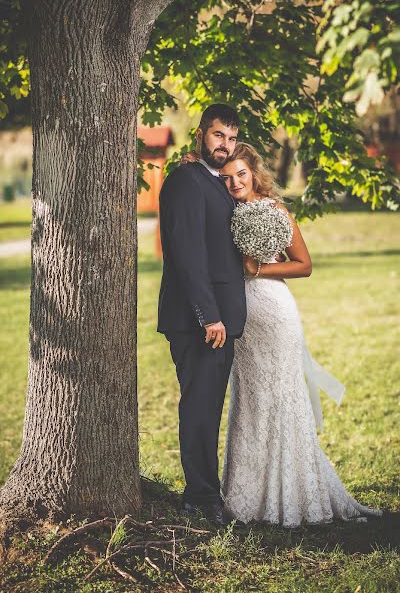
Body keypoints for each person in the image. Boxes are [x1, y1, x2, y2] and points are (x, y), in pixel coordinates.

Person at [219, 142, 382, 527]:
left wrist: (257, 269)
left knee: (282, 397)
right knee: (250, 401)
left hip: (275, 314)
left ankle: (293, 495)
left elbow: (304, 265)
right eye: (226, 178)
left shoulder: (276, 211)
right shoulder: (226, 212)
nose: (235, 182)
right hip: (243, 321)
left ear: (253, 172)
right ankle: (245, 499)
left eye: (240, 174)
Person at [157, 104, 247, 527]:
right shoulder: (184, 182)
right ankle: (200, 499)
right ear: (200, 134)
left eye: (231, 138)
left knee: (209, 406)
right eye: (217, 136)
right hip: (200, 321)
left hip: (219, 320)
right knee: (199, 407)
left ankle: (205, 492)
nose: (224, 145)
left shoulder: (215, 181)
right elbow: (187, 253)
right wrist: (208, 315)